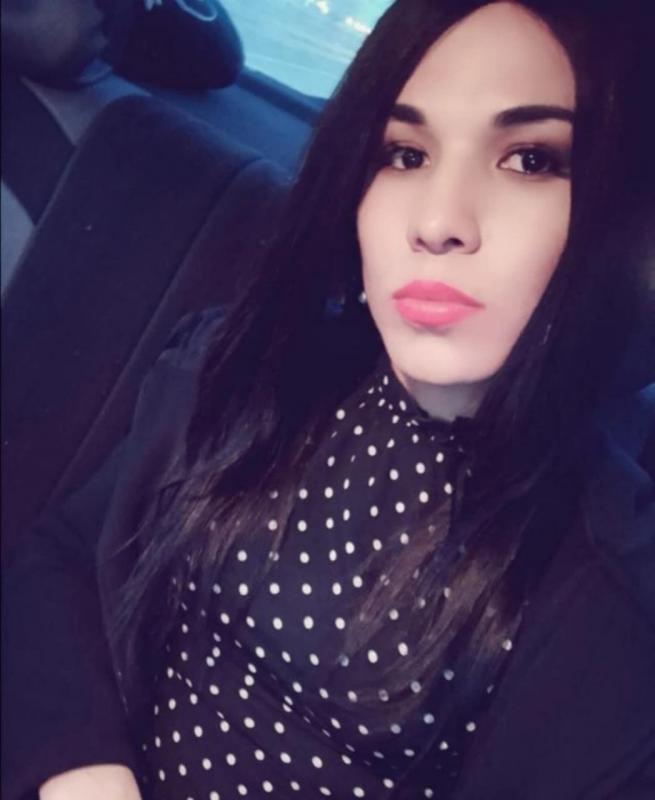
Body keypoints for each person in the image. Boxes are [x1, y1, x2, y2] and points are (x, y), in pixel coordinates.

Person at [3, 1, 654, 798]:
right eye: (405, 153)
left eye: (528, 160)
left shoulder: (615, 602)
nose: (437, 221)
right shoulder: (238, 371)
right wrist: (84, 774)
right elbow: (62, 561)